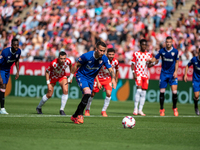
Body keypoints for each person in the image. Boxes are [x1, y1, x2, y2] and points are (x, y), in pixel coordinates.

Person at [68, 41, 116, 124]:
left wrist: (113, 79)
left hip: (91, 79)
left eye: (103, 51)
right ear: (96, 49)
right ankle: (80, 115)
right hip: (82, 76)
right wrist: (71, 77)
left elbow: (111, 69)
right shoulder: (87, 56)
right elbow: (76, 65)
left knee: (85, 98)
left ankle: (74, 116)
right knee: (87, 93)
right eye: (100, 50)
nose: (102, 53)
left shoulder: (104, 58)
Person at [149, 36, 179, 116]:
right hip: (164, 74)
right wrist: (149, 60)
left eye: (169, 42)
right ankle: (162, 109)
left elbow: (177, 62)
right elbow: (155, 58)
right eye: (167, 42)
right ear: (165, 42)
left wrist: (176, 71)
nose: (168, 43)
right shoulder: (162, 51)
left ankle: (175, 108)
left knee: (174, 92)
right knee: (162, 92)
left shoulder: (175, 51)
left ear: (172, 42)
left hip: (172, 74)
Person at [84, 48, 119, 117]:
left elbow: (117, 70)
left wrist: (115, 80)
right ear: (106, 54)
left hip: (107, 79)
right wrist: (98, 81)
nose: (111, 56)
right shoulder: (102, 60)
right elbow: (95, 70)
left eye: (112, 54)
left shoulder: (116, 62)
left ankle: (103, 111)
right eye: (109, 54)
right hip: (98, 77)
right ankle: (87, 109)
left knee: (109, 93)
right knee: (92, 94)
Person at [36, 51, 72, 115]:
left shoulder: (68, 61)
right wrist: (48, 83)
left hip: (62, 76)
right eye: (61, 58)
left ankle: (62, 110)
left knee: (66, 90)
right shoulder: (53, 63)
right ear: (58, 57)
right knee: (49, 94)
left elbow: (71, 66)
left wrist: (71, 77)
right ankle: (39, 107)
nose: (63, 60)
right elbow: (47, 72)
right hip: (53, 77)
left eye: (64, 58)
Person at [131, 39, 157, 116]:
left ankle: (140, 110)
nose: (144, 46)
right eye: (143, 44)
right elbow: (132, 64)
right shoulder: (136, 54)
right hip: (138, 73)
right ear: (140, 45)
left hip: (145, 75)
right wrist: (133, 73)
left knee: (144, 93)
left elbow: (148, 65)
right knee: (138, 90)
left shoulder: (149, 55)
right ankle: (135, 109)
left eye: (145, 45)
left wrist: (154, 63)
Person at [0, 38, 21, 114]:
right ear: (11, 45)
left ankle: (2, 108)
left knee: (3, 87)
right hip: (1, 69)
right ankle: (2, 108)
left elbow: (17, 60)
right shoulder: (5, 52)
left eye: (17, 45)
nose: (16, 46)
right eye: (15, 45)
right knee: (2, 85)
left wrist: (18, 71)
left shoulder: (18, 51)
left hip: (8, 70)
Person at [184, 50, 200, 115]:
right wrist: (185, 74)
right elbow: (187, 66)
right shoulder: (194, 59)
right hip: (196, 80)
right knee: (196, 96)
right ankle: (196, 107)